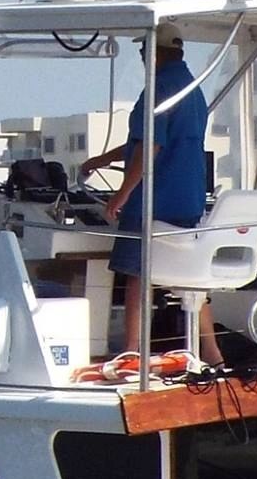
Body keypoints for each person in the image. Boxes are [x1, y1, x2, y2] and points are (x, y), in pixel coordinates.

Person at [79, 25, 222, 364]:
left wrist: (121, 196)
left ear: (154, 52)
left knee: (135, 274)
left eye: (144, 51)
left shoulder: (158, 90)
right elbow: (145, 143)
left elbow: (150, 147)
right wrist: (101, 160)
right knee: (192, 278)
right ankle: (214, 353)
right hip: (187, 198)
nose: (142, 58)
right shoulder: (191, 89)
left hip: (153, 200)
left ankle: (130, 351)